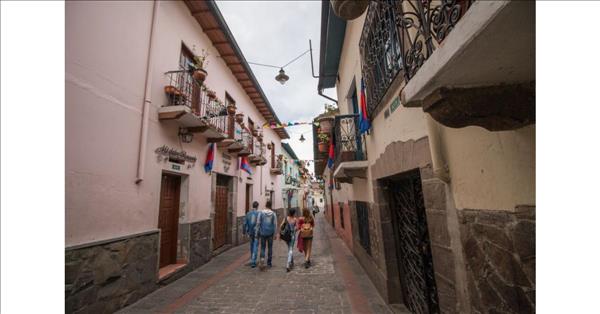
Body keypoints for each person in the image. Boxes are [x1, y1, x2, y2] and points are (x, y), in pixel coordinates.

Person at [256, 200, 278, 269]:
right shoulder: (273, 214)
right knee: (270, 248)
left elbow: (258, 223)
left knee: (262, 247)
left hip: (262, 233)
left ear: (265, 205)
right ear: (271, 206)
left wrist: (257, 232)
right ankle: (269, 263)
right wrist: (275, 234)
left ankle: (262, 259)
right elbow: (275, 224)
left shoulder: (261, 213)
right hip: (270, 233)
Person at [243, 201, 260, 268]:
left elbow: (244, 223)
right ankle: (253, 261)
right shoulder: (258, 213)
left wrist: (244, 232)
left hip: (250, 232)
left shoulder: (248, 213)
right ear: (257, 206)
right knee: (255, 245)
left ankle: (252, 258)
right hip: (256, 232)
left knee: (251, 245)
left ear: (252, 206)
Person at [279, 208, 297, 272]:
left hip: (286, 236)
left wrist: (280, 233)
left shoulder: (286, 218)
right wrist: (294, 229)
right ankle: (288, 264)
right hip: (292, 236)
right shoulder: (295, 219)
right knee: (291, 249)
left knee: (289, 248)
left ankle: (291, 262)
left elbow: (281, 226)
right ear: (294, 213)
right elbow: (296, 228)